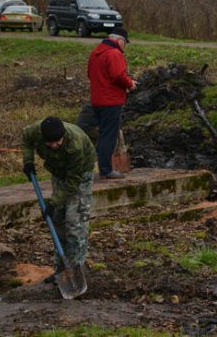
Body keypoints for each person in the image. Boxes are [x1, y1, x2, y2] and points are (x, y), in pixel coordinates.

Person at [21, 116, 96, 276]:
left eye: (58, 142)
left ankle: (76, 270)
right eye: (50, 143)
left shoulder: (75, 144)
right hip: (58, 172)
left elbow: (73, 180)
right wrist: (28, 161)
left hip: (79, 175)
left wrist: (53, 202)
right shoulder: (35, 130)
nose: (54, 145)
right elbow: (26, 138)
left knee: (74, 224)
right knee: (57, 221)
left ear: (63, 136)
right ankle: (60, 271)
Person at [86, 26, 136, 179]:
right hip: (111, 101)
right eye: (125, 43)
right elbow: (118, 75)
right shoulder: (114, 53)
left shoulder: (95, 53)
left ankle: (101, 166)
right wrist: (130, 84)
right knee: (109, 135)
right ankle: (106, 169)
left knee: (103, 134)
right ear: (119, 40)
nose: (124, 46)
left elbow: (90, 74)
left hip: (97, 100)